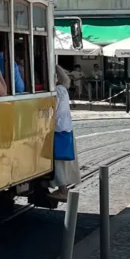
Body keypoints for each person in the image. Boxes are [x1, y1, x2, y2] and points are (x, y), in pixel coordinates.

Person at [50, 65, 79, 201]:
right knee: (60, 161)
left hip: (58, 129)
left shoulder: (57, 91)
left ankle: (63, 190)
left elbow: (53, 111)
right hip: (65, 128)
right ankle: (61, 188)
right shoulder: (63, 90)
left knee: (58, 161)